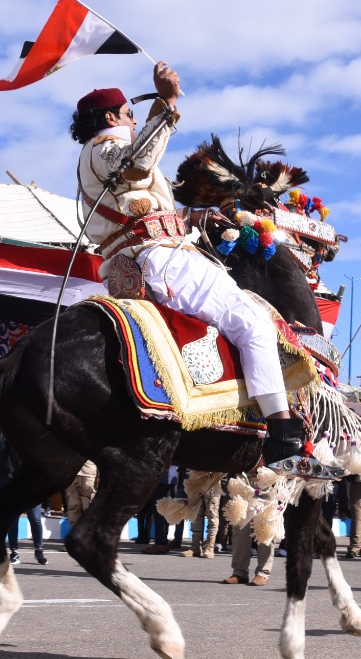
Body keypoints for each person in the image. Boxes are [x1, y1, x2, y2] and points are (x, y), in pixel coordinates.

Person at [72, 63, 311, 475]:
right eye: (130, 114)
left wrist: (196, 218)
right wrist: (167, 101)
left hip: (141, 256)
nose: (132, 121)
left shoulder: (98, 156)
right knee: (252, 321)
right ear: (111, 118)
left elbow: (140, 202)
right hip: (161, 259)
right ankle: (282, 433)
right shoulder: (105, 146)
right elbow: (136, 164)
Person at [64, 460, 99, 530]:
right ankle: (77, 536)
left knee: (88, 510)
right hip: (75, 474)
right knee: (74, 509)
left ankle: (88, 537)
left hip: (87, 474)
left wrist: (99, 475)